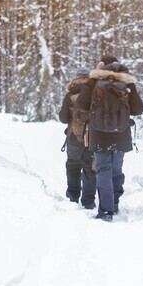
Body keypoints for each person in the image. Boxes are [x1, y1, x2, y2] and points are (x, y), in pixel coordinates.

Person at [75, 55, 143, 221]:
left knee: (103, 171)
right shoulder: (127, 82)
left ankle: (106, 210)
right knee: (116, 170)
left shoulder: (94, 81)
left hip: (99, 135)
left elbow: (81, 104)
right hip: (121, 135)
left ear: (102, 66)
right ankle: (114, 203)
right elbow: (138, 108)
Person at [58, 69, 96, 209]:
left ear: (76, 78)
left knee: (73, 165)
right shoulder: (95, 92)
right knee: (90, 168)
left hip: (74, 136)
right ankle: (88, 201)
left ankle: (73, 197)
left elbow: (63, 118)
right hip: (92, 137)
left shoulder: (70, 94)